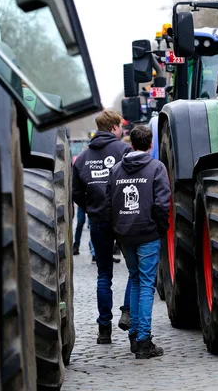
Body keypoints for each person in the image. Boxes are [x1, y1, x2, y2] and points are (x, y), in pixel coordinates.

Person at [105, 125, 170, 359]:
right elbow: (163, 204)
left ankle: (134, 334)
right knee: (146, 285)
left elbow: (109, 203)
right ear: (150, 144)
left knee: (134, 279)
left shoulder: (116, 170)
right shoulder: (156, 168)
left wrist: (116, 229)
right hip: (147, 233)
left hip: (124, 233)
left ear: (131, 143)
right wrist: (161, 229)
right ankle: (143, 340)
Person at [72, 110, 133, 343]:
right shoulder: (123, 151)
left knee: (103, 275)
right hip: (123, 218)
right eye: (120, 126)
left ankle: (104, 329)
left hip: (97, 221)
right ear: (114, 127)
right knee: (134, 271)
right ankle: (127, 311)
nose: (122, 130)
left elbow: (76, 192)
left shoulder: (84, 156)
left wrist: (91, 210)